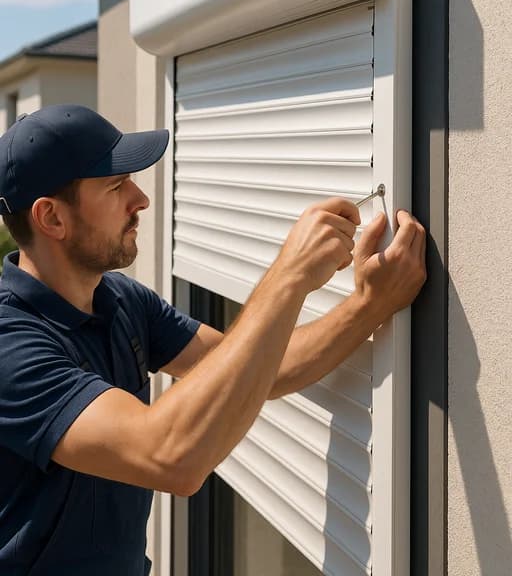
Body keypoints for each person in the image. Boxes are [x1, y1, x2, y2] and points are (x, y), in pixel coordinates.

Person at [0, 104, 426, 576]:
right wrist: (289, 276)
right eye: (116, 186)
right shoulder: (10, 344)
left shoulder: (120, 300)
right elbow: (171, 457)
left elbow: (261, 367)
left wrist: (368, 305)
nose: (140, 199)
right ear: (52, 219)